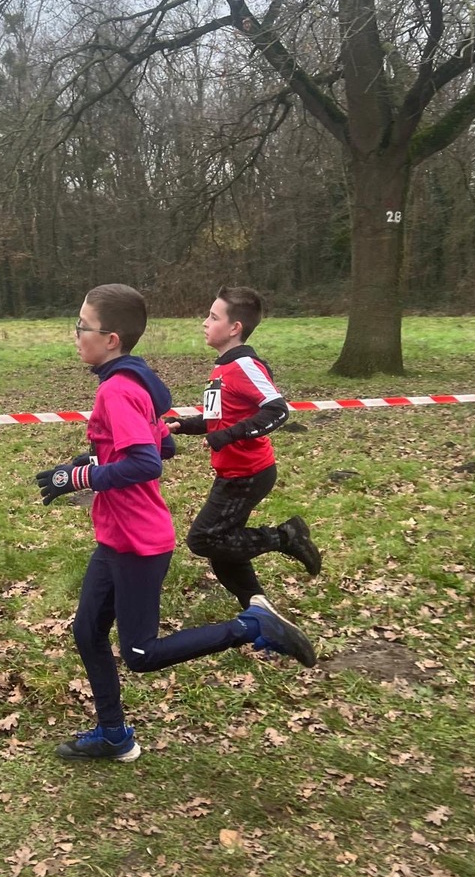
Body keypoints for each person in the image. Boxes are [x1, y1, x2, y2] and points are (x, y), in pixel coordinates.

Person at [35, 283, 316, 764]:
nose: (76, 334)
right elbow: (162, 444)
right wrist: (93, 459)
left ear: (111, 339)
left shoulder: (118, 390)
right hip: (116, 534)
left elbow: (146, 463)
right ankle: (114, 735)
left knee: (141, 653)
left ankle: (251, 625)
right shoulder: (131, 380)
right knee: (87, 631)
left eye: (83, 326)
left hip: (138, 542)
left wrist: (78, 475)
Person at [167, 286, 321, 610]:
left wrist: (227, 436)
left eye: (213, 317)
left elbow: (277, 410)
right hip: (232, 472)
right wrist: (184, 425)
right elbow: (217, 417)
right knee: (223, 553)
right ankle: (260, 613)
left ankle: (287, 536)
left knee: (203, 539)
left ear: (235, 328)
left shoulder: (245, 365)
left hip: (248, 474)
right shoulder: (222, 367)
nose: (205, 323)